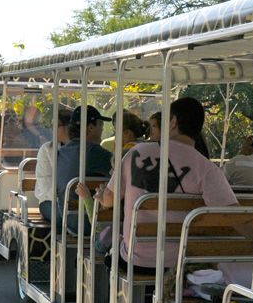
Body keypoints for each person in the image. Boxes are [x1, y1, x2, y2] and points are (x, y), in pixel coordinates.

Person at [83, 97, 237, 271]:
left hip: (135, 260)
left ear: (173, 122)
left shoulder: (136, 152)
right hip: (180, 264)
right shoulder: (207, 168)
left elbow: (110, 200)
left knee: (112, 248)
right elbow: (231, 216)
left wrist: (102, 196)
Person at [55, 107, 113, 232]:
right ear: (90, 128)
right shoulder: (94, 152)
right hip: (89, 222)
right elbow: (122, 170)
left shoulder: (62, 152)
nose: (102, 129)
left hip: (68, 220)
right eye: (100, 124)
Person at [33, 108, 71, 224]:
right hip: (50, 201)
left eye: (56, 125)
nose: (52, 128)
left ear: (68, 126)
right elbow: (45, 186)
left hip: (75, 202)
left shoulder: (82, 149)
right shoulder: (46, 150)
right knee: (62, 217)